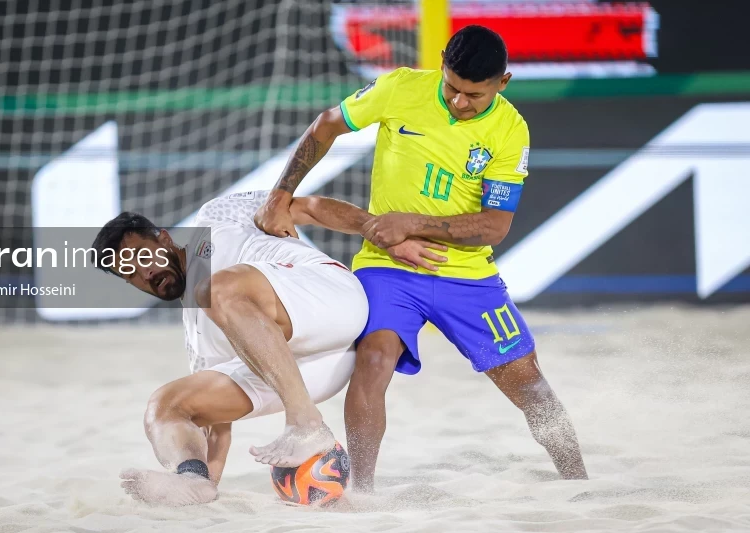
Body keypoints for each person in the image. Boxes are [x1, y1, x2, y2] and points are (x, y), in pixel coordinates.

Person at [255, 25, 588, 492]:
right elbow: (326, 125)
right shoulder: (400, 87)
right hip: (388, 267)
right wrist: (281, 193)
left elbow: (495, 226)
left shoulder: (511, 130)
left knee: (530, 384)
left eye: (474, 95)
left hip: (467, 276)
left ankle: (578, 482)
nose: (459, 102)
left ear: (503, 82)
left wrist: (411, 222)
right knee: (374, 358)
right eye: (452, 87)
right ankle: (362, 491)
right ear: (442, 65)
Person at [89, 190, 445, 505]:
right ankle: (191, 478)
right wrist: (205, 482)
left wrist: (378, 232)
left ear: (164, 238)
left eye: (142, 257)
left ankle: (305, 423)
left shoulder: (215, 218)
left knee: (215, 290)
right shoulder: (197, 337)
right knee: (165, 405)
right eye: (130, 274)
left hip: (331, 301)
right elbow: (217, 428)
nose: (144, 274)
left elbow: (308, 207)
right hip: (318, 370)